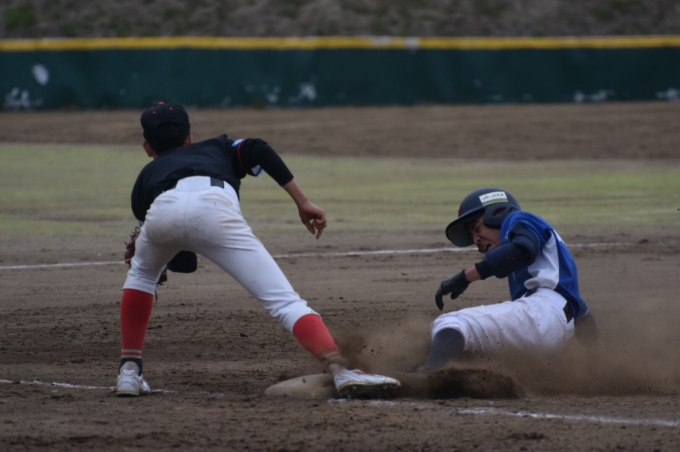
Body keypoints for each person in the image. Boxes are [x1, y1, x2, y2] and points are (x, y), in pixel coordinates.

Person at [116, 102, 400, 398]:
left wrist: (156, 263)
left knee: (141, 278)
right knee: (284, 302)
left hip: (163, 209)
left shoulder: (145, 178)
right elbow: (259, 148)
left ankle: (129, 373)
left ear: (147, 146)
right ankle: (342, 371)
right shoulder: (217, 147)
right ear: (189, 138)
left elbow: (185, 262)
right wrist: (303, 202)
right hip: (214, 208)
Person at [425, 187, 599, 371]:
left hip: (542, 315)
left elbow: (518, 251)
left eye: (477, 228)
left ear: (498, 212)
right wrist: (595, 359)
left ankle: (428, 377)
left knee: (452, 323)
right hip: (552, 329)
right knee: (473, 352)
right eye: (472, 236)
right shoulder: (549, 266)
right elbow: (582, 314)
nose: (476, 240)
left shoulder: (518, 219)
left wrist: (464, 278)